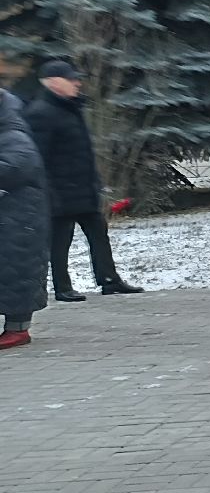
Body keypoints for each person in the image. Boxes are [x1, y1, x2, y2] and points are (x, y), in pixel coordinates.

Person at [23, 60, 141, 301]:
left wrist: (94, 182)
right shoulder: (40, 113)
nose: (77, 82)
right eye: (71, 79)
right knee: (60, 241)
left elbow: (80, 152)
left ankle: (109, 280)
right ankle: (62, 287)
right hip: (60, 191)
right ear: (54, 83)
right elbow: (38, 157)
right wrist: (49, 192)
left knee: (99, 233)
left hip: (82, 188)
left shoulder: (70, 109)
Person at [0, 87, 50, 350]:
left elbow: (17, 165)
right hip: (12, 217)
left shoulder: (13, 134)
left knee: (16, 272)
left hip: (18, 219)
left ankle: (17, 330)